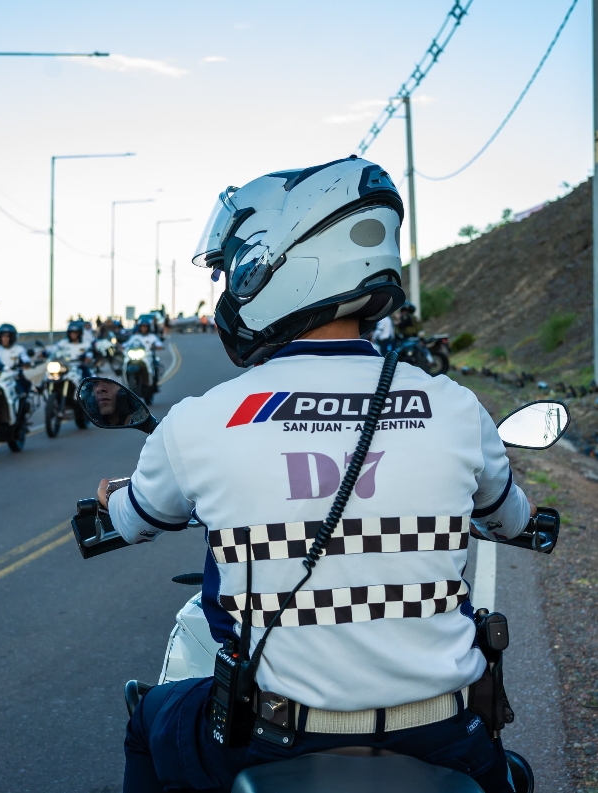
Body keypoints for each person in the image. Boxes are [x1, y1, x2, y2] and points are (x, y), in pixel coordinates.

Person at [100, 157, 532, 793]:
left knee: (150, 720)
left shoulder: (199, 421)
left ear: (276, 267)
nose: (229, 289)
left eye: (234, 270)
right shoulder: (455, 407)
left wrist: (111, 501)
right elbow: (511, 517)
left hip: (274, 739)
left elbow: (135, 518)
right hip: (446, 734)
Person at [126, 319, 165, 391]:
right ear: (140, 327)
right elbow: (127, 344)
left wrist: (158, 346)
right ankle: (126, 384)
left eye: (145, 327)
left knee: (155, 366)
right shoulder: (135, 337)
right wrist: (120, 346)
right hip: (135, 355)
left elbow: (159, 343)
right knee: (125, 364)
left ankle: (153, 383)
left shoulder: (152, 336)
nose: (144, 328)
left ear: (148, 327)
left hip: (147, 355)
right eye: (142, 327)